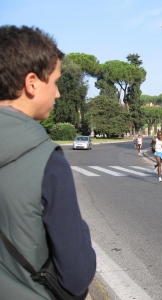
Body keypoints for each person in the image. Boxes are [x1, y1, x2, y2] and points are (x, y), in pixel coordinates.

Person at [0, 25, 96, 299]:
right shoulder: (46, 161)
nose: (58, 94)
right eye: (54, 82)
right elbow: (77, 276)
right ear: (32, 83)